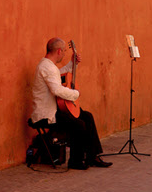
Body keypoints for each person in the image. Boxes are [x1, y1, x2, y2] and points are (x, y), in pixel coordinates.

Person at [31, 37, 112, 169]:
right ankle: (76, 161)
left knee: (87, 116)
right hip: (46, 114)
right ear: (58, 51)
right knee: (78, 124)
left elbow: (58, 74)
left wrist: (72, 63)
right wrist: (76, 94)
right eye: (63, 51)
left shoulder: (49, 66)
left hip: (54, 110)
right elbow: (57, 89)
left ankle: (93, 156)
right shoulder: (46, 67)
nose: (63, 54)